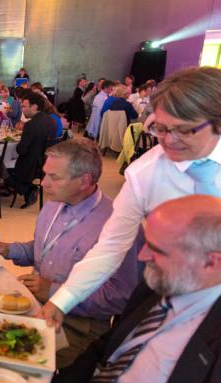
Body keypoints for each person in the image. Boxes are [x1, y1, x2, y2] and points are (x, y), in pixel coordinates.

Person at [41, 66, 221, 330]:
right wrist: (62, 300)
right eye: (160, 128)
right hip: (169, 294)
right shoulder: (145, 173)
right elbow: (112, 245)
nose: (168, 141)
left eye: (184, 130)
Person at [46, 195, 221, 383]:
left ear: (211, 262)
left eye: (157, 250)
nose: (141, 256)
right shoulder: (155, 285)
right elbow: (107, 346)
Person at [0, 139, 142, 368]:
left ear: (84, 180)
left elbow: (120, 297)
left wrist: (54, 291)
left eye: (54, 177)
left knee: (10, 365)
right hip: (37, 305)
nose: (44, 183)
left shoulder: (118, 226)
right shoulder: (54, 204)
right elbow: (43, 249)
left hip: (78, 326)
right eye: (45, 174)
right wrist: (9, 249)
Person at [7, 91, 58, 206]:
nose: (22, 110)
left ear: (34, 107)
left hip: (32, 165)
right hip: (47, 161)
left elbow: (21, 150)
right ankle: (27, 187)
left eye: (24, 106)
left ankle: (28, 189)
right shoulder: (51, 121)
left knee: (1, 167)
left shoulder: (31, 125)